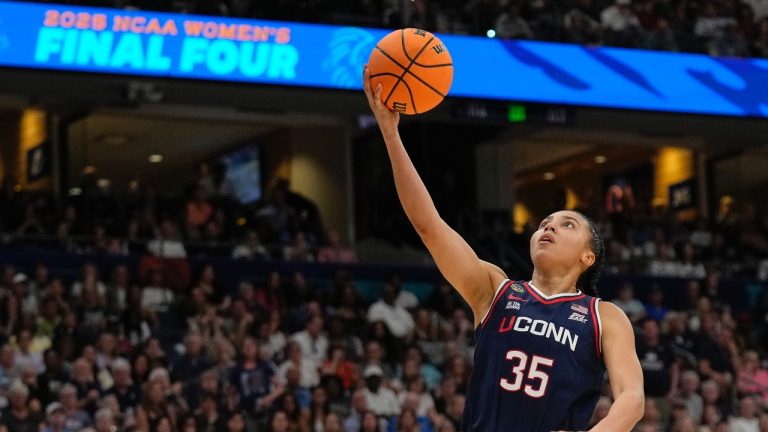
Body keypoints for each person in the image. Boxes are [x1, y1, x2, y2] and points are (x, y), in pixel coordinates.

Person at [363, 65, 644, 432]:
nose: (549, 226)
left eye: (566, 224)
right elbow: (429, 226)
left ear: (587, 257)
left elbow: (632, 399)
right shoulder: (495, 289)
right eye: (545, 222)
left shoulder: (603, 317)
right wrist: (389, 133)